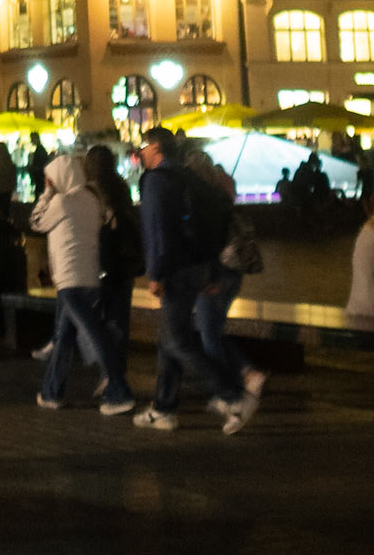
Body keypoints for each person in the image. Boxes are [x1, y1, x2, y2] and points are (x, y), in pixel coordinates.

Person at [132, 126, 255, 436]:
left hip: (174, 270)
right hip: (197, 266)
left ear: (156, 148)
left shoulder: (157, 181)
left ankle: (233, 396)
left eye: (144, 147)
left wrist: (156, 273)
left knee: (177, 340)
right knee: (170, 337)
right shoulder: (190, 177)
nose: (141, 152)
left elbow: (157, 230)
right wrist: (211, 269)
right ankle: (164, 407)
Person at [30, 153, 133, 415]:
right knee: (64, 337)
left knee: (95, 334)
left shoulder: (63, 202)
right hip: (90, 278)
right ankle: (51, 392)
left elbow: (36, 222)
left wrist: (46, 194)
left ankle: (118, 391)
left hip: (70, 280)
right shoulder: (92, 199)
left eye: (50, 178)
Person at [185, 147, 266, 417]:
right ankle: (240, 378)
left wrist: (208, 275)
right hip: (234, 271)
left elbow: (206, 241)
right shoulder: (223, 187)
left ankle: (235, 384)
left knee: (208, 334)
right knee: (213, 331)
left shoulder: (202, 197)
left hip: (217, 271)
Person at [83, 144, 143, 372]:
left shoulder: (90, 190)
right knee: (120, 319)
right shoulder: (121, 186)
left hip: (100, 261)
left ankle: (108, 372)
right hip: (124, 262)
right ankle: (118, 370)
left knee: (99, 319)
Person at [25, 133, 50, 203]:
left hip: (40, 176)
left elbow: (39, 164)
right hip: (40, 176)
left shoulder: (40, 150)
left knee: (39, 193)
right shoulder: (40, 149)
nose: (31, 141)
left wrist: (32, 168)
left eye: (32, 139)